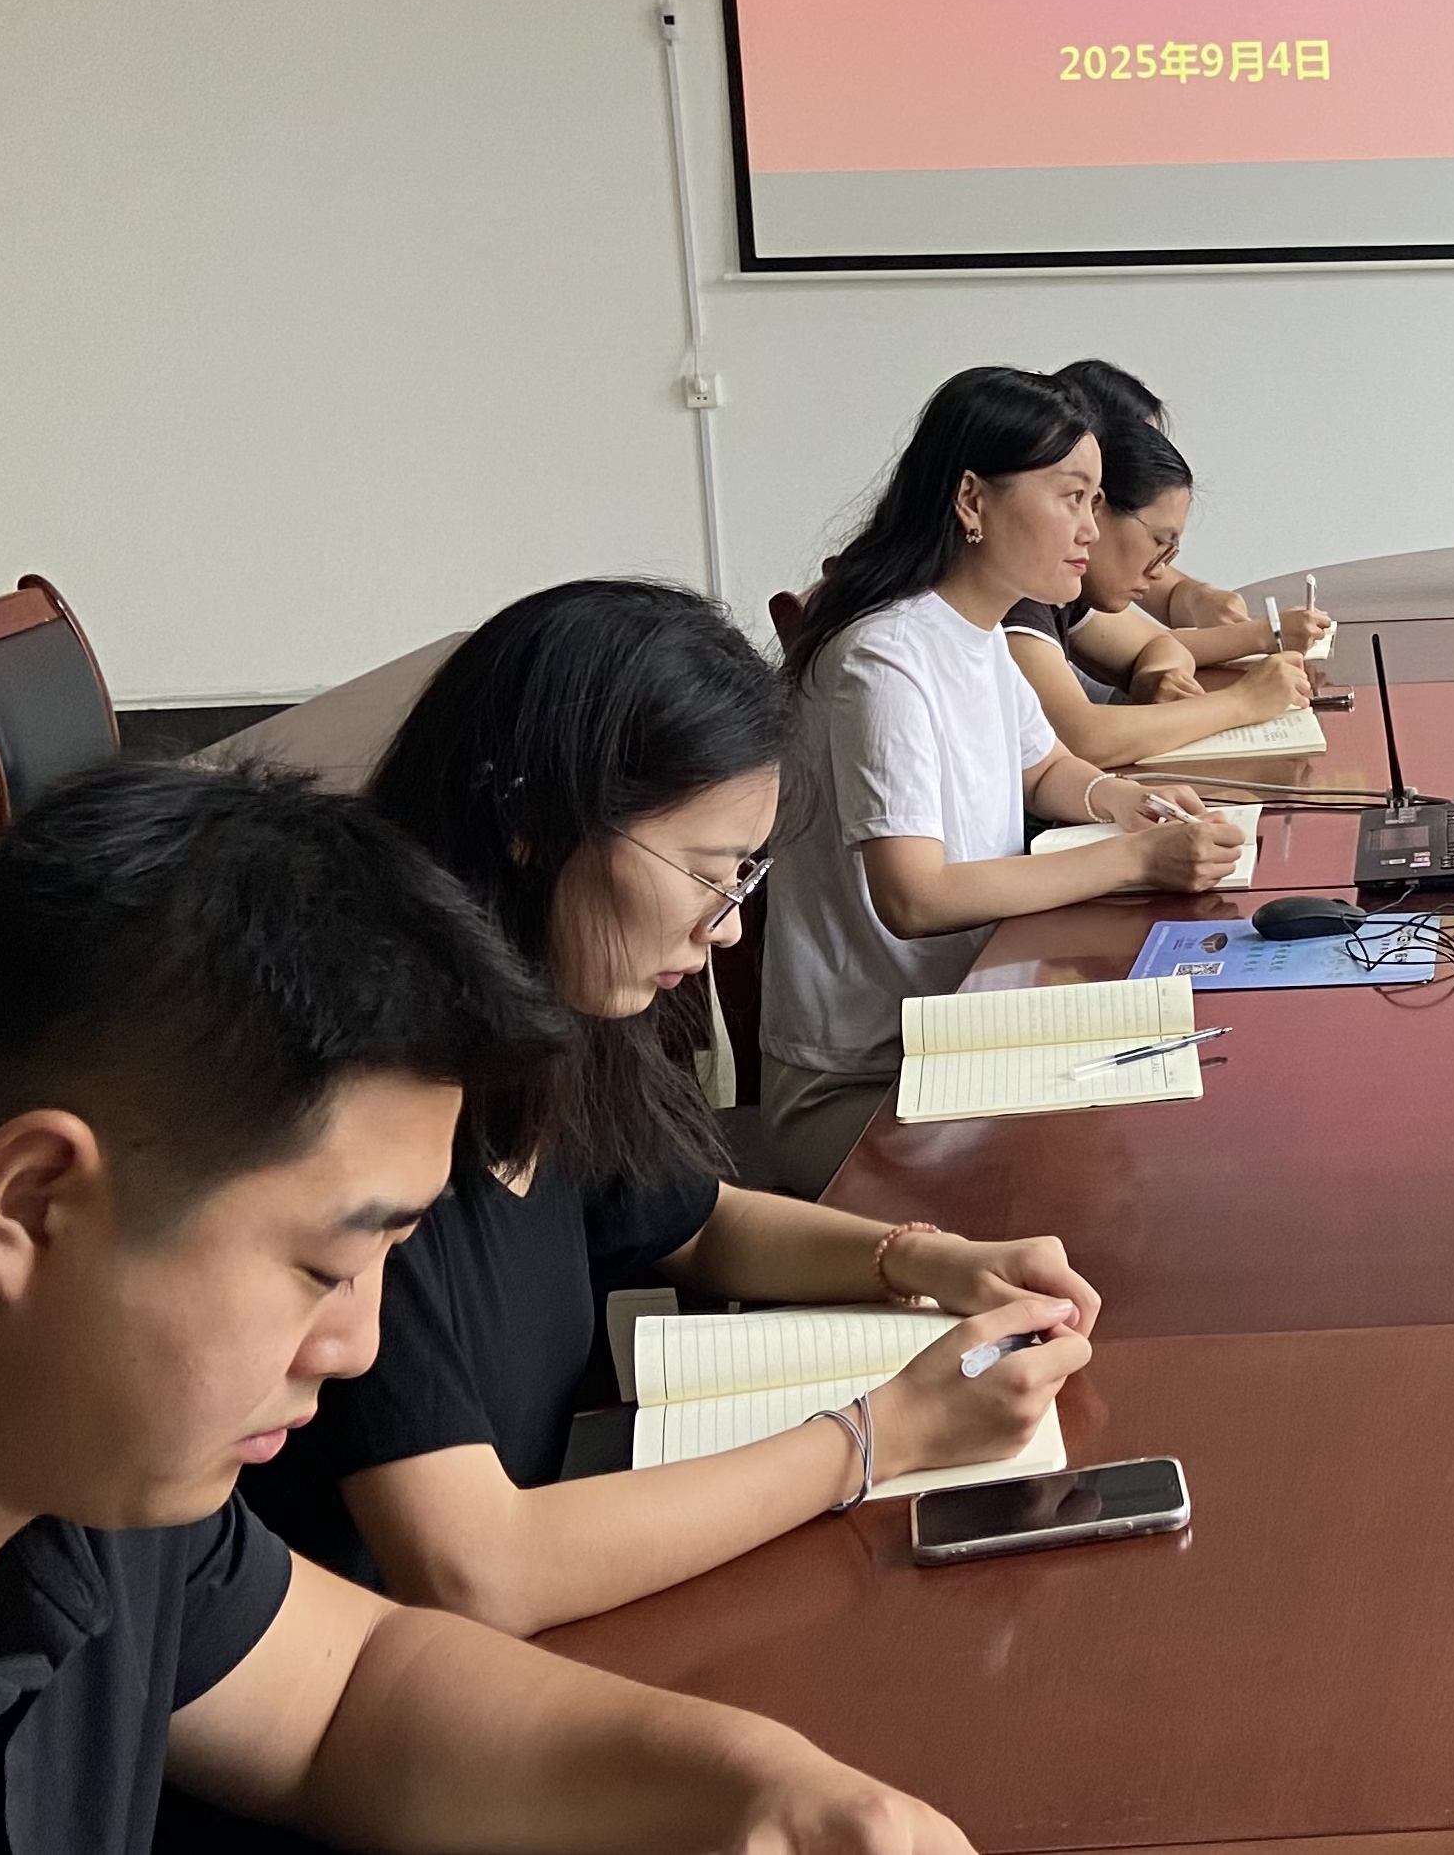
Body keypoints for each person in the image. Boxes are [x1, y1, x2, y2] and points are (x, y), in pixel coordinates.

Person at [0, 763, 968, 1854]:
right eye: (324, 1268)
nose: (359, 1345)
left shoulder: (58, 1423)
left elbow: (348, 1693)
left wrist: (764, 1786)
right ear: (35, 1205)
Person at [233, 581, 1096, 1639]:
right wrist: (883, 1436)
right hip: (393, 1676)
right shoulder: (378, 1120)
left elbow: (695, 1222)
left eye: (744, 878)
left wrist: (926, 1259)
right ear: (534, 826)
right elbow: (476, 1571)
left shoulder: (548, 1020)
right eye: (708, 873)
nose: (726, 928)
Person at [761, 368, 1249, 1191]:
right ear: (972, 500)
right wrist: (1134, 859)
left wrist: (1126, 802)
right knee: (1114, 1174)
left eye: (1097, 502)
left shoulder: (974, 629)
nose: (1090, 528)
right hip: (865, 1081)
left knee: (1185, 1115)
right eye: (1072, 497)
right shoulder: (883, 659)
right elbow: (915, 897)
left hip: (966, 1028)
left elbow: (1044, 765)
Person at [1003, 403, 1316, 766]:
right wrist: (1243, 702)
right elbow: (1084, 737)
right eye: (1159, 543)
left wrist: (1151, 678)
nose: (1159, 573)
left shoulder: (1063, 591)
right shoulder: (1017, 598)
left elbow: (1159, 644)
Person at [1046, 359, 1330, 664]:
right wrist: (1265, 636)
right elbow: (1138, 653)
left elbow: (1158, 621)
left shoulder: (1076, 579)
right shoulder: (1040, 589)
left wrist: (1200, 597)